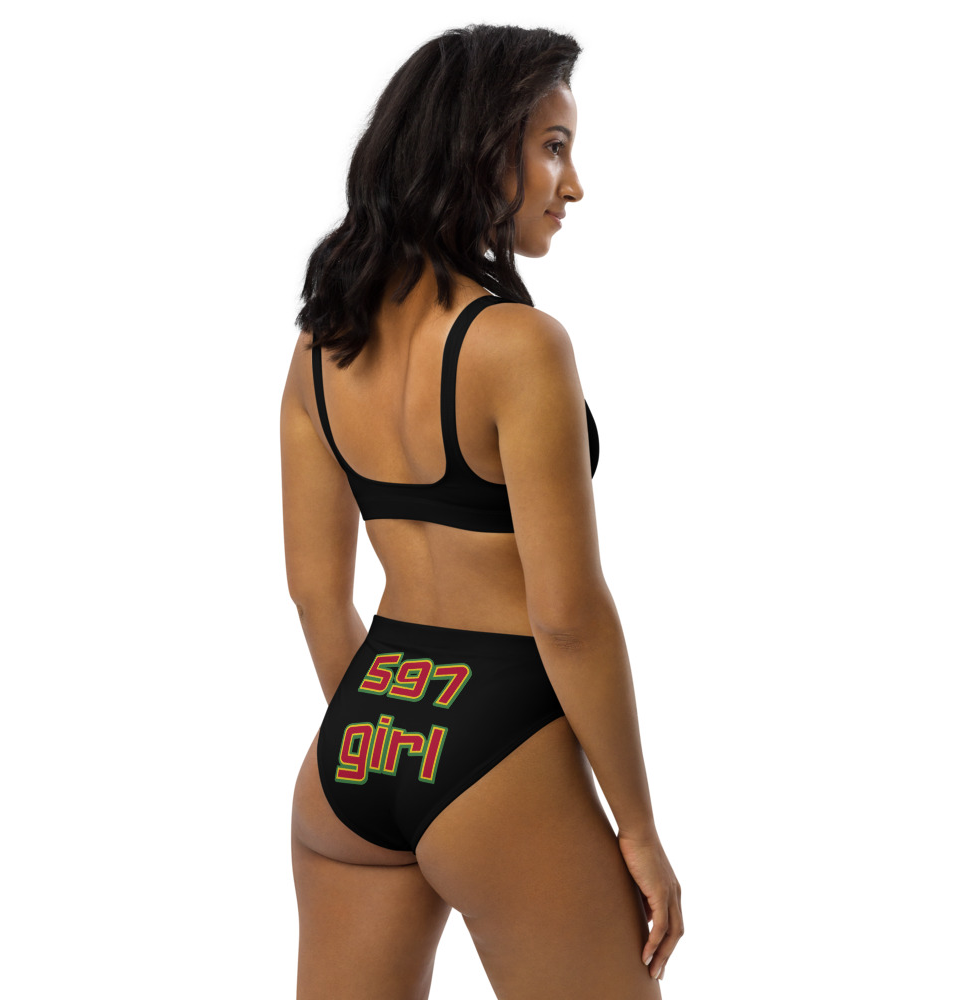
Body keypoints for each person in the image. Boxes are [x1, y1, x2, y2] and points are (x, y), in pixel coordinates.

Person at [280, 23, 683, 999]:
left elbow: (315, 595)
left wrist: (394, 746)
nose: (572, 184)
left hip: (361, 740)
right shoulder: (519, 345)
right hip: (499, 738)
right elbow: (568, 616)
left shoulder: (321, 346)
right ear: (479, 150)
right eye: (552, 146)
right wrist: (636, 827)